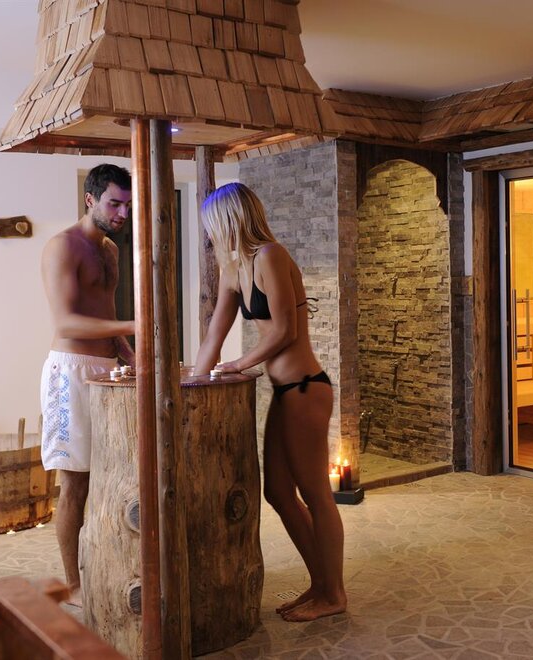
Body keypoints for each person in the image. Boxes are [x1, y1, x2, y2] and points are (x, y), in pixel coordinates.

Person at [193, 182, 346, 622]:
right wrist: (196, 384)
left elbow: (284, 331)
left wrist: (238, 364)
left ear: (229, 220)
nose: (208, 235)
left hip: (306, 388)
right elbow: (214, 334)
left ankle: (334, 594)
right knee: (278, 491)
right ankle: (320, 584)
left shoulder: (270, 257)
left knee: (315, 492)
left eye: (211, 225)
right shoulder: (234, 268)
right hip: (285, 391)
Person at [40, 164, 135, 605]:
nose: (122, 214)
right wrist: (135, 325)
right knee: (75, 483)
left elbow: (105, 312)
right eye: (114, 204)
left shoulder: (110, 250)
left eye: (127, 206)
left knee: (108, 478)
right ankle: (72, 584)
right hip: (70, 372)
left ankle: (101, 567)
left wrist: (129, 353)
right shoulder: (62, 246)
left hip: (106, 370)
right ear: (90, 199)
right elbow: (67, 322)